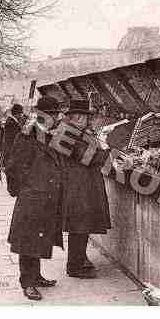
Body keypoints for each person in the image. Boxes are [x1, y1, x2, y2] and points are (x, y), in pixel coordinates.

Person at [6, 96, 64, 301]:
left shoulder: (47, 135)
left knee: (38, 238)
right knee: (28, 240)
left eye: (57, 115)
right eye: (54, 115)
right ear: (43, 115)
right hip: (32, 196)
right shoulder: (27, 136)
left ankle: (36, 276)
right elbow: (13, 166)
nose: (57, 118)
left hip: (45, 196)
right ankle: (27, 283)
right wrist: (27, 188)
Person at [61, 99, 111, 279]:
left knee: (81, 226)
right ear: (79, 118)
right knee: (79, 226)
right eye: (87, 118)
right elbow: (87, 157)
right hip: (79, 187)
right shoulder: (68, 134)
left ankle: (80, 259)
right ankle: (74, 267)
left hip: (81, 185)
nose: (89, 121)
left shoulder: (72, 131)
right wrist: (105, 149)